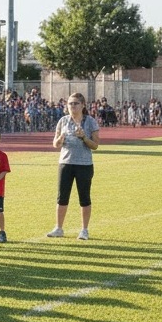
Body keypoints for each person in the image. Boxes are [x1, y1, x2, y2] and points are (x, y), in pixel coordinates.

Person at [47, 92, 99, 240]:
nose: (72, 106)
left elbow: (95, 145)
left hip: (84, 164)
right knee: (61, 197)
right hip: (65, 163)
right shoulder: (63, 121)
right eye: (70, 103)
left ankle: (84, 230)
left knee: (84, 197)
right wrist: (61, 138)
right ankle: (58, 228)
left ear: (83, 105)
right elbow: (55, 144)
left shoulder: (90, 122)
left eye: (76, 103)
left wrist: (83, 137)